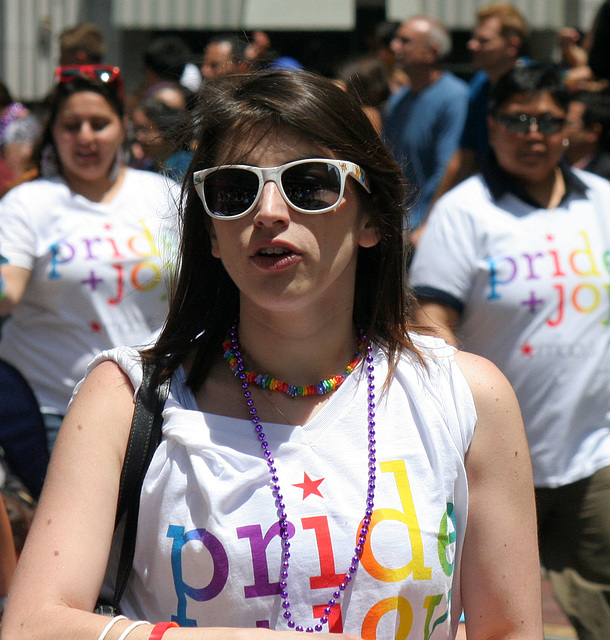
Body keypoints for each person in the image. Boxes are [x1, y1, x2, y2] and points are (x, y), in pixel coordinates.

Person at [2, 69, 543, 640]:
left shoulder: (467, 397)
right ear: (211, 232)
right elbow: (32, 623)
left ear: (372, 219)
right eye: (234, 191)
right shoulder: (123, 399)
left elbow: (508, 629)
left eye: (309, 184)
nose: (268, 212)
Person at [410, 63, 610, 640]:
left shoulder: (601, 201)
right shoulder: (464, 212)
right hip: (494, 464)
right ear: (492, 127)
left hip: (593, 456)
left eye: (547, 119)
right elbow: (430, 317)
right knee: (498, 618)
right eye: (517, 119)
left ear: (566, 127)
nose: (533, 133)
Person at [0, 65, 178, 452]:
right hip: (51, 409)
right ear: (53, 131)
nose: (85, 137)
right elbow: (7, 290)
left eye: (99, 124)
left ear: (122, 126)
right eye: (71, 125)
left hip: (156, 405)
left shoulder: (165, 195)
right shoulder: (27, 202)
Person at [420, 1, 530, 242]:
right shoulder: (479, 86)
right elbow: (463, 158)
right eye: (474, 38)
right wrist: (432, 220)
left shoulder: (536, 86)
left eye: (484, 40)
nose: (472, 45)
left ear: (512, 46)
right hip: (492, 200)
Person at [383, 15, 469, 231]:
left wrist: (424, 223)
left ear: (432, 51)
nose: (395, 47)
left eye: (405, 41)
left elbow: (449, 169)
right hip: (397, 225)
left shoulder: (455, 98)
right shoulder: (397, 101)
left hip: (430, 228)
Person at [129, 96, 191, 180]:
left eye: (144, 130)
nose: (138, 137)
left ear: (165, 130)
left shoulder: (182, 165)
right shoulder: (149, 167)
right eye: (135, 130)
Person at [565, 89, 610, 180]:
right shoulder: (551, 165)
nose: (561, 129)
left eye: (569, 123)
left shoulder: (605, 178)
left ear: (593, 132)